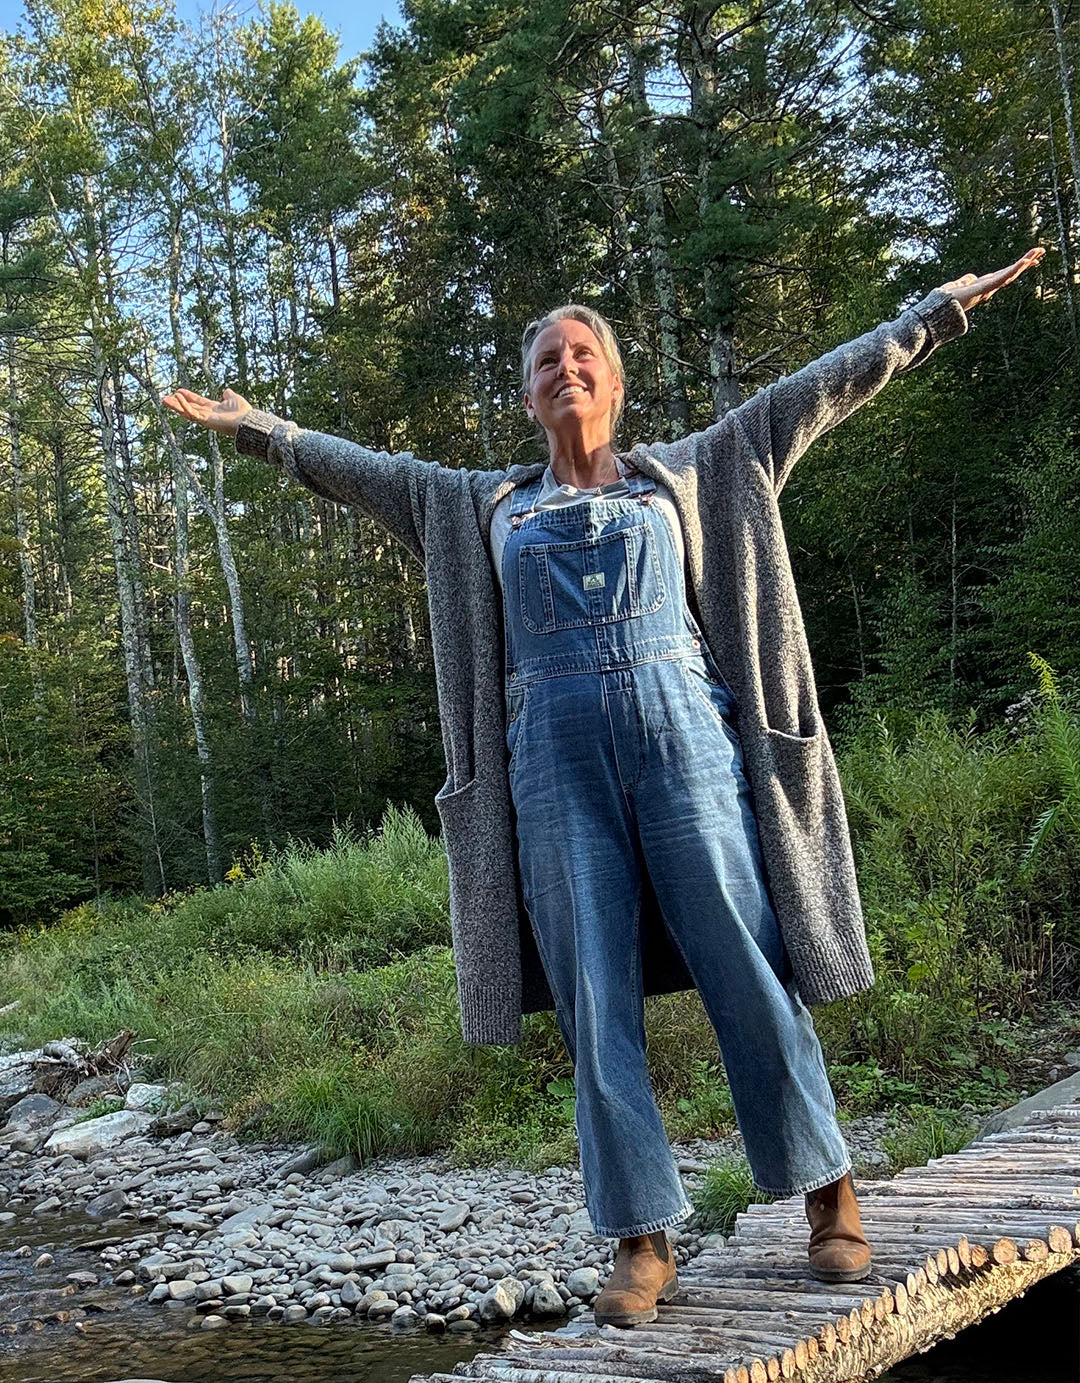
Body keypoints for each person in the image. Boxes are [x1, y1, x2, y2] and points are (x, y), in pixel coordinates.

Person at [165, 247, 1043, 1327]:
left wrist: (931, 315)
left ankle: (828, 1190)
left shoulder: (697, 469)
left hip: (688, 749)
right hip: (553, 771)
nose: (566, 368)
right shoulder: (476, 505)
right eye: (547, 360)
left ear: (615, 383)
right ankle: (640, 1237)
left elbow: (820, 386)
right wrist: (260, 429)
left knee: (746, 959)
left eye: (583, 354)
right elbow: (364, 470)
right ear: (529, 395)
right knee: (592, 994)